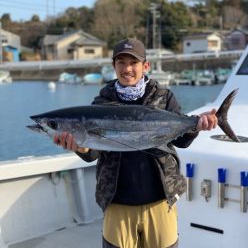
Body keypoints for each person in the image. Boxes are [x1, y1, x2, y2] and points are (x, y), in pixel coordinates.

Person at [53, 38, 218, 248]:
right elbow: (92, 153)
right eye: (121, 62)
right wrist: (79, 145)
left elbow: (183, 140)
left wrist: (197, 125)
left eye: (133, 62)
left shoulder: (164, 97)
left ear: (145, 66)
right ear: (114, 66)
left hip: (160, 199)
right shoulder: (101, 104)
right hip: (117, 201)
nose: (127, 69)